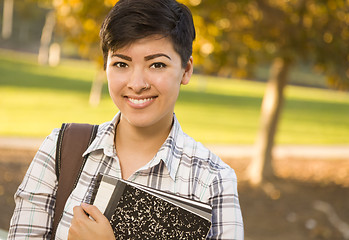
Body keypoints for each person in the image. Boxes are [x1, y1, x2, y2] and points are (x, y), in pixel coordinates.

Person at [8, 0, 244, 239]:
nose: (137, 84)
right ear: (105, 66)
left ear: (186, 70)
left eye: (157, 64)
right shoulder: (61, 149)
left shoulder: (213, 180)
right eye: (121, 64)